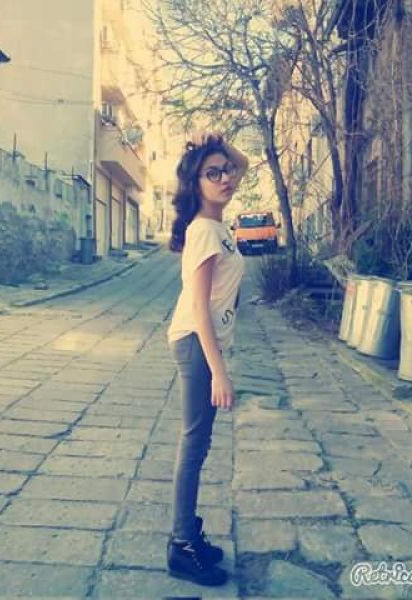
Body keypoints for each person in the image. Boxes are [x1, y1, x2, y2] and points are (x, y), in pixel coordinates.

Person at [166, 131, 248, 586]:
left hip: (203, 342)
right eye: (212, 173)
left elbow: (244, 163)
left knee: (197, 441)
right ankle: (182, 545)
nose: (225, 178)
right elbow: (199, 307)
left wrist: (213, 146)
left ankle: (188, 536)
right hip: (197, 343)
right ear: (195, 184)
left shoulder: (216, 226)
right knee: (194, 442)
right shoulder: (202, 231)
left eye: (226, 171)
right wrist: (220, 373)